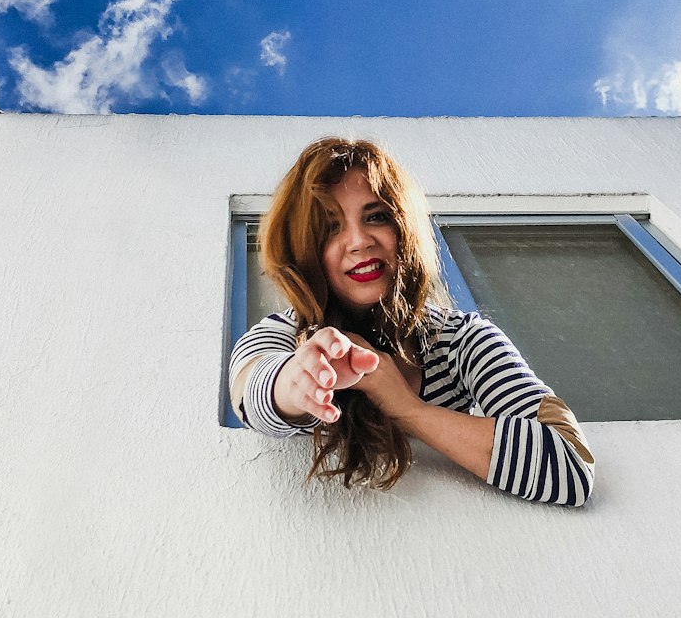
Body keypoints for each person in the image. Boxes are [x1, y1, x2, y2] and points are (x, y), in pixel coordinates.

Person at [229, 137, 594, 506]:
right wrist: (299, 383)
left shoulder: (461, 339)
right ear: (303, 249)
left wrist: (406, 408)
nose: (359, 241)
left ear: (404, 230)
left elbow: (570, 465)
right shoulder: (280, 334)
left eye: (376, 217)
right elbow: (250, 393)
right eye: (330, 227)